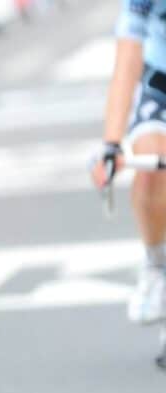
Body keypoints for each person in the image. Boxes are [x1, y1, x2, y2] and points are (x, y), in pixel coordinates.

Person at [93, 1, 166, 324]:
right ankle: (156, 262)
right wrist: (111, 143)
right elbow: (127, 57)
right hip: (160, 83)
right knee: (152, 170)